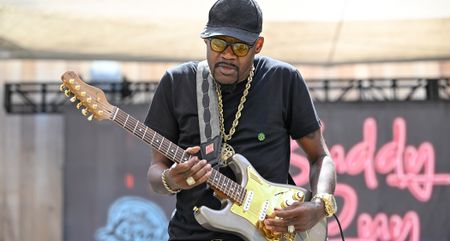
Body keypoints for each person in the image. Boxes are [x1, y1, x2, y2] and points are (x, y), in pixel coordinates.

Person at [145, 0, 337, 240]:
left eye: (240, 48)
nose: (227, 54)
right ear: (205, 40)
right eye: (218, 43)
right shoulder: (177, 83)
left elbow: (320, 157)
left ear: (257, 45)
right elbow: (156, 170)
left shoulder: (282, 80)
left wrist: (320, 205)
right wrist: (170, 180)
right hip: (191, 234)